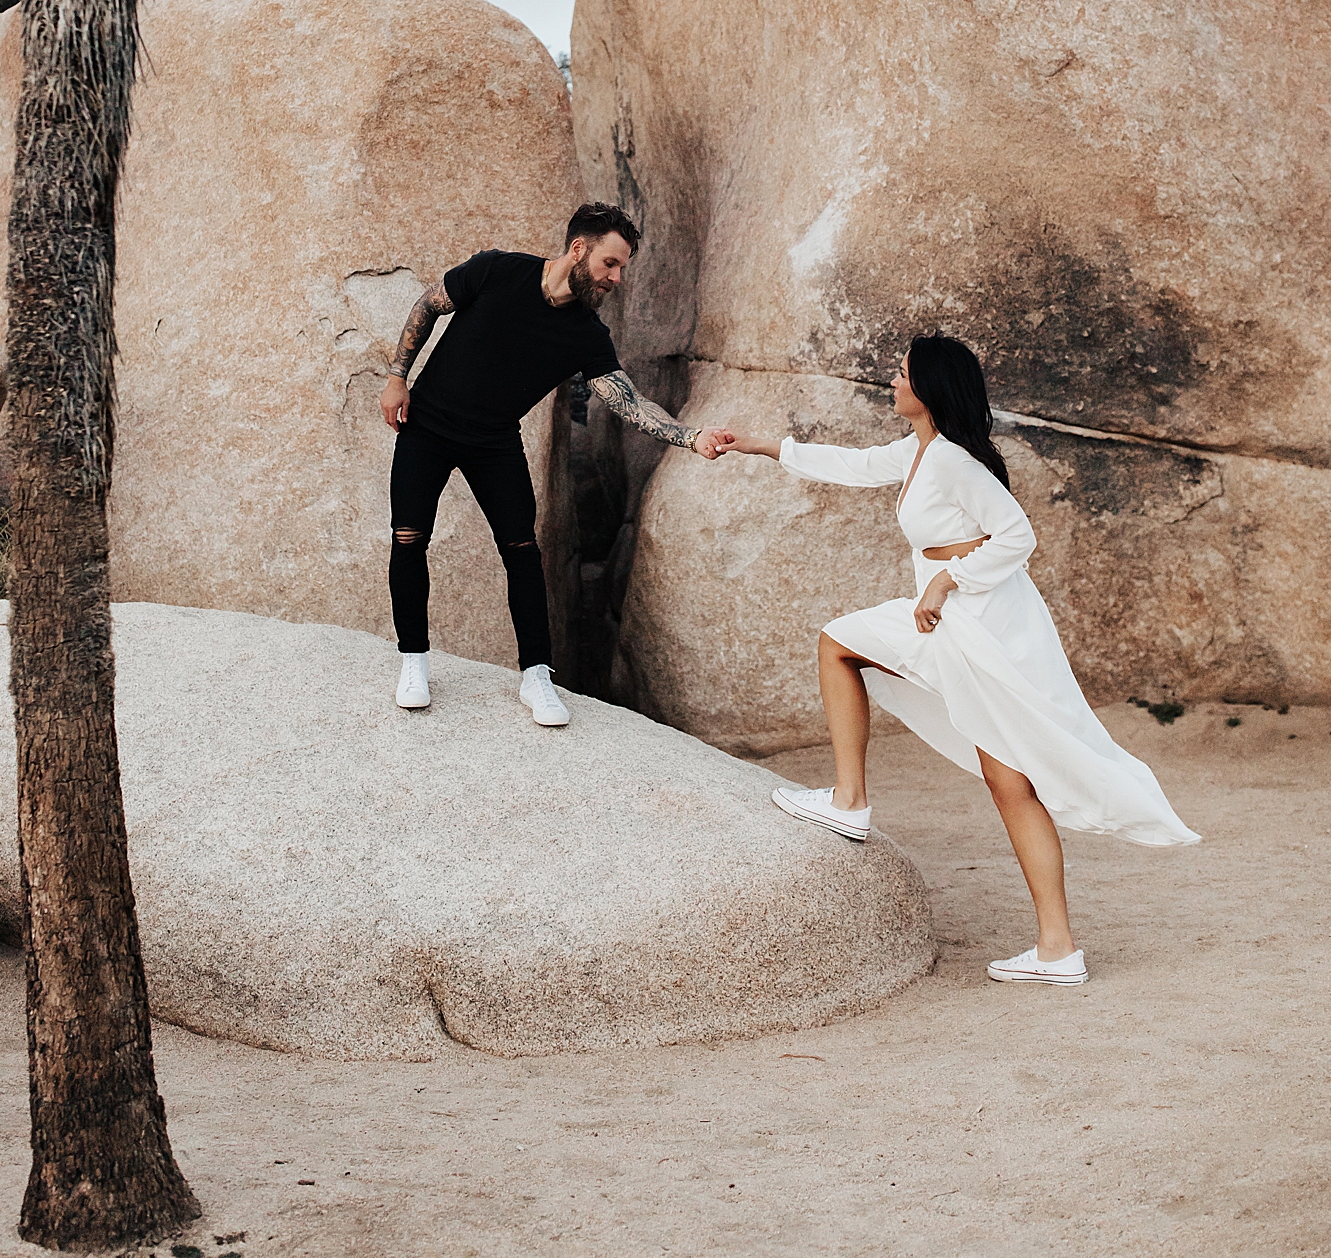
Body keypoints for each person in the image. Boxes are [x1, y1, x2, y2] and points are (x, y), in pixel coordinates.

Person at [722, 332, 1199, 985]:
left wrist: (948, 582)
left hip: (979, 620)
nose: (892, 381)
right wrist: (765, 446)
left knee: (841, 646)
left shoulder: (953, 463)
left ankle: (850, 800)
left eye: (902, 374)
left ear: (928, 390)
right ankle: (1057, 950)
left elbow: (1017, 534)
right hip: (960, 617)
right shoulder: (920, 453)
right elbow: (857, 465)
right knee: (1005, 779)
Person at [379, 202, 729, 726]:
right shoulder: (498, 270)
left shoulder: (586, 333)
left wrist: (691, 436)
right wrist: (396, 376)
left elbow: (629, 403)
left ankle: (537, 677)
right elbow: (428, 306)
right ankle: (414, 663)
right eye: (611, 264)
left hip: (494, 442)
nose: (616, 278)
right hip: (426, 426)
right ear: (579, 249)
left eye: (622, 269)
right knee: (408, 538)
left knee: (522, 549)